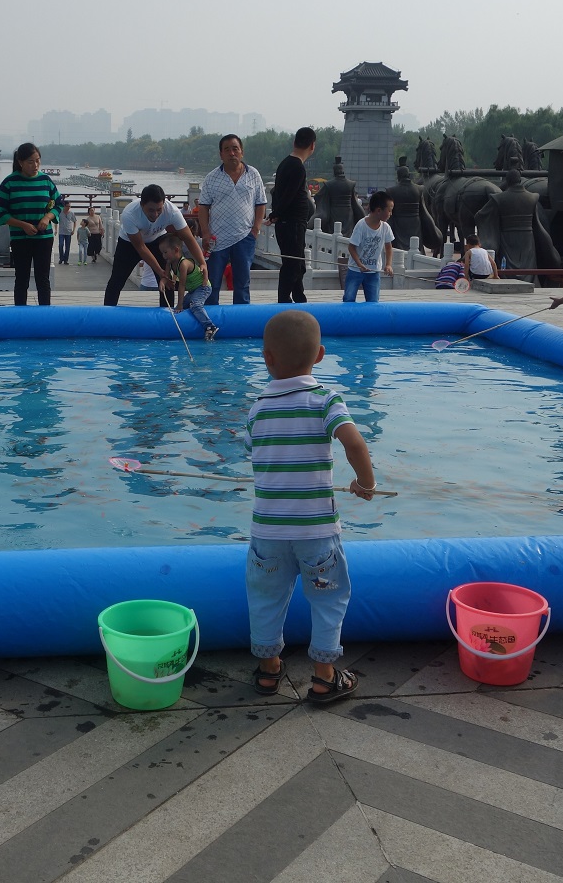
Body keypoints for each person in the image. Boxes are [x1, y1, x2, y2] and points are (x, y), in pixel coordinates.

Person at [246, 310, 376, 702]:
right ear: (319, 355)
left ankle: (269, 670)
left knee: (265, 598)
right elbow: (354, 443)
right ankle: (324, 677)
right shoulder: (324, 399)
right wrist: (366, 483)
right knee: (328, 599)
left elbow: (255, 452)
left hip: (268, 533)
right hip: (316, 533)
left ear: (267, 357)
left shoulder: (257, 408)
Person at [103, 184, 207, 307]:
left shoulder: (172, 211)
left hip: (157, 240)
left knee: (167, 280)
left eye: (159, 210)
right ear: (142, 205)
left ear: (164, 204)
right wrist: (159, 271)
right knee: (116, 280)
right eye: (151, 210)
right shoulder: (130, 214)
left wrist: (202, 263)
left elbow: (189, 238)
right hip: (129, 244)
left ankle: (167, 312)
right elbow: (141, 247)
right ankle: (107, 311)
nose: (155, 214)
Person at [199, 134, 267, 305]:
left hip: (244, 237)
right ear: (221, 154)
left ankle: (241, 318)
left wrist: (255, 229)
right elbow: (203, 207)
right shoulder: (211, 178)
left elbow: (260, 203)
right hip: (217, 239)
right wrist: (205, 233)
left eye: (235, 149)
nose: (231, 153)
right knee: (212, 283)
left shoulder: (253, 174)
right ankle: (210, 317)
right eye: (227, 150)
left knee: (242, 284)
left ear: (241, 152)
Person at [0, 143, 62, 306]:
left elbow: (59, 203)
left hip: (44, 238)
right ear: (20, 162)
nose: (35, 165)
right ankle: (20, 313)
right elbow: (0, 211)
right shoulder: (10, 182)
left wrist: (47, 218)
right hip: (20, 239)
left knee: (43, 278)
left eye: (38, 161)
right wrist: (22, 225)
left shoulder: (45, 180)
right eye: (30, 162)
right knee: (21, 279)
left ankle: (44, 313)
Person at [271, 126, 316, 303]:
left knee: (298, 264)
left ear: (294, 142)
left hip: (288, 223)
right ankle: (283, 301)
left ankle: (299, 297)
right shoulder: (298, 167)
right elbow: (288, 196)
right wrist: (275, 214)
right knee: (293, 265)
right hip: (293, 223)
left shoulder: (285, 163)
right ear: (312, 146)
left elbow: (278, 193)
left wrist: (275, 214)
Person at [160, 234, 216, 340]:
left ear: (176, 250)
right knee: (184, 307)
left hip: (202, 287)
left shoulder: (183, 264)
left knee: (195, 305)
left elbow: (181, 285)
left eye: (165, 252)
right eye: (162, 253)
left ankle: (210, 326)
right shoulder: (169, 263)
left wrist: (179, 305)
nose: (163, 256)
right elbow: (166, 277)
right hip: (193, 290)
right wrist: (163, 282)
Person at [343, 190, 395, 303]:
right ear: (378, 210)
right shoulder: (361, 225)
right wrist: (359, 264)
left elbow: (388, 248)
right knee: (349, 298)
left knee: (373, 301)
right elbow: (351, 247)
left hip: (373, 271)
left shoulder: (385, 227)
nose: (391, 214)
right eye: (389, 210)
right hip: (356, 270)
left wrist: (388, 265)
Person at [57, 199, 76, 266]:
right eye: (67, 206)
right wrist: (55, 229)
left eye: (69, 206)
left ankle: (66, 259)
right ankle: (61, 258)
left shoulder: (71, 213)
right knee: (61, 245)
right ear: (64, 206)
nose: (68, 207)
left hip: (68, 232)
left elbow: (75, 221)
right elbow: (56, 221)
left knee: (67, 247)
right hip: (61, 232)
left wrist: (73, 230)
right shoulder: (60, 212)